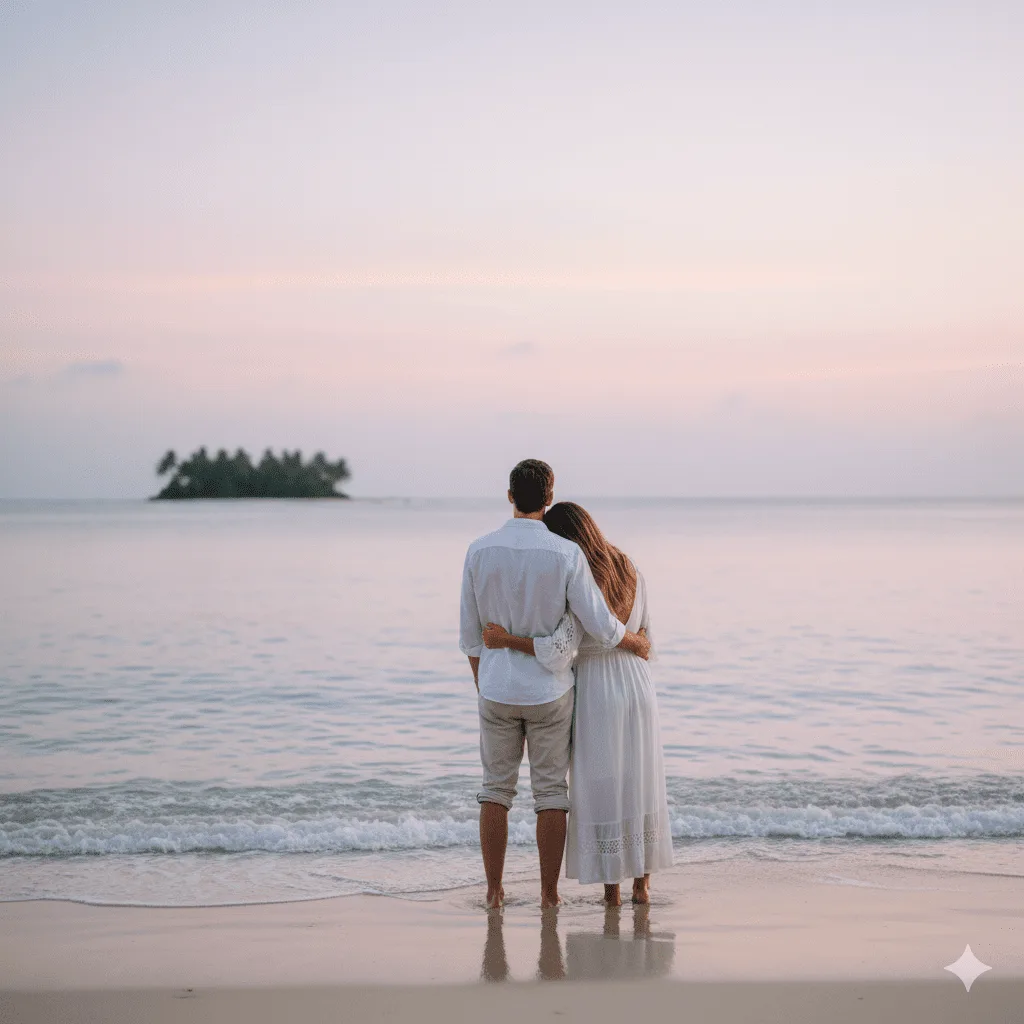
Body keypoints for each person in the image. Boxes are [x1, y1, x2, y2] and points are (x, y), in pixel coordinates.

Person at [460, 461, 651, 909]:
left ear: (509, 495)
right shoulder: (566, 554)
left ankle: (494, 892)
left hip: (496, 688)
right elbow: (599, 624)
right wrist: (636, 642)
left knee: (495, 791)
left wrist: (484, 682)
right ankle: (548, 895)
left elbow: (470, 636)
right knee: (550, 794)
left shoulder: (478, 551)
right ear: (549, 498)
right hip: (549, 691)